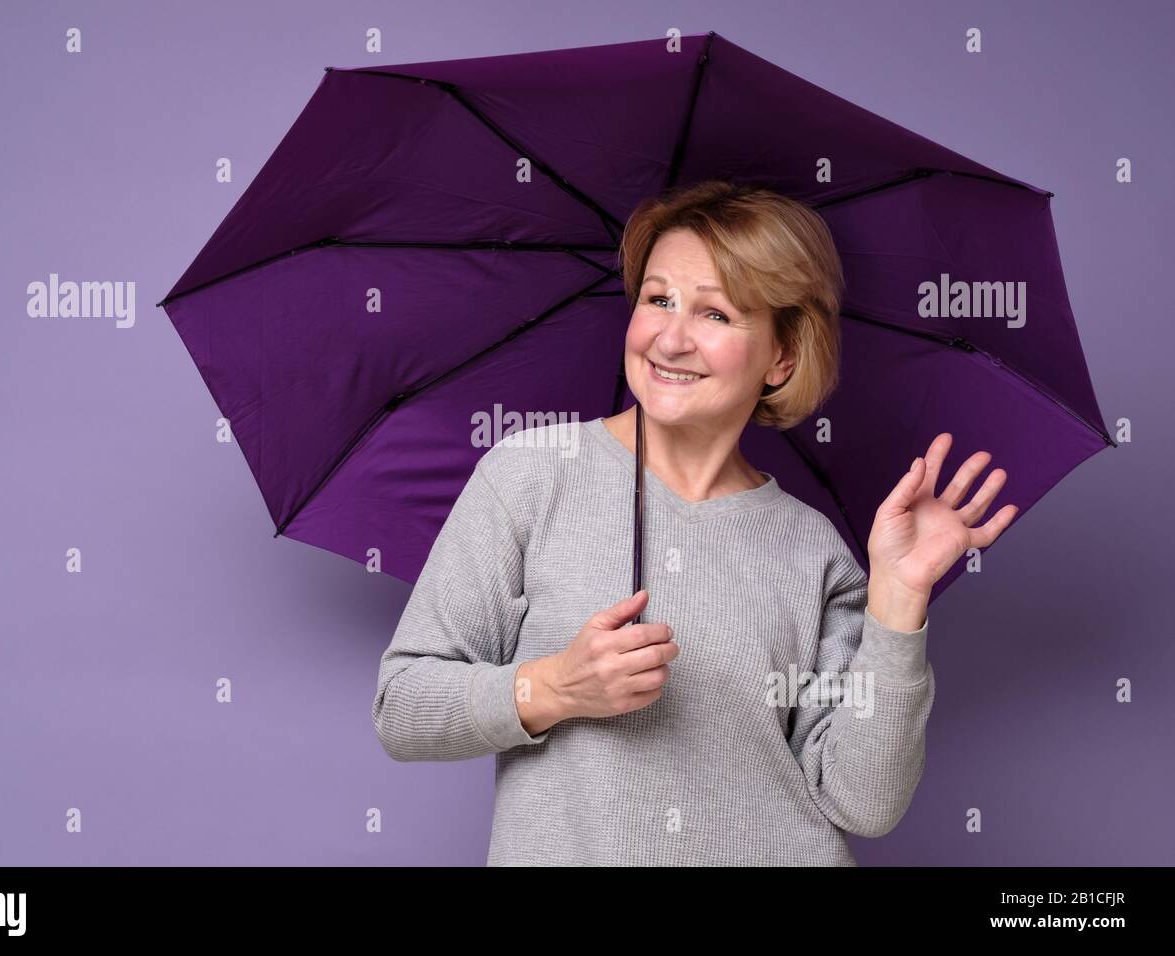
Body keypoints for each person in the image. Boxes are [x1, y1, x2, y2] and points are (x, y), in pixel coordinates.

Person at [371, 180, 1017, 865]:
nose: (671, 338)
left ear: (782, 357)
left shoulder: (811, 549)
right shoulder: (533, 474)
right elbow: (404, 707)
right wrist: (556, 686)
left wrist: (898, 600)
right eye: (658, 299)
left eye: (717, 315)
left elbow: (865, 802)